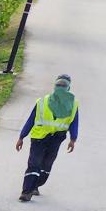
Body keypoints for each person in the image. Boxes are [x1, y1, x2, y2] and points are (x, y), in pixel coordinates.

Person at [16, 72, 79, 201]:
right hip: (39, 137)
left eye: (63, 85)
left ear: (68, 88)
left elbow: (74, 122)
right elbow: (31, 119)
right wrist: (22, 136)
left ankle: (35, 186)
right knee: (35, 163)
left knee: (46, 165)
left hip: (56, 138)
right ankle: (27, 191)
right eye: (59, 85)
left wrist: (73, 139)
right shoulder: (43, 102)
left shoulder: (72, 104)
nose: (61, 87)